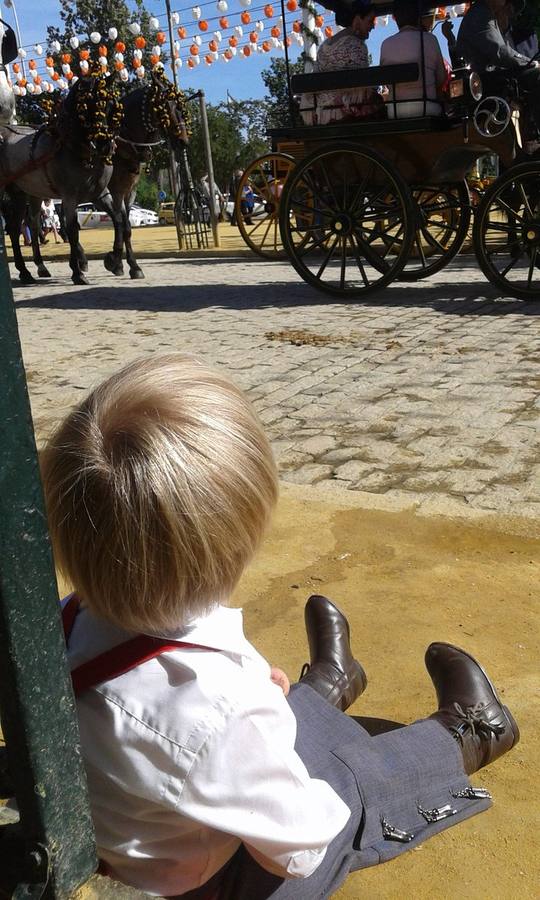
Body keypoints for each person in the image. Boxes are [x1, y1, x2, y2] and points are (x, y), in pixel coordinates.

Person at [41, 354, 519, 899]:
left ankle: (329, 685)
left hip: (144, 828)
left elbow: (190, 720)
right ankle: (470, 732)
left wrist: (261, 719)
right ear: (239, 547)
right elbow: (299, 844)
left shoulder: (62, 623)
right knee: (344, 781)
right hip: (214, 882)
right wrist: (297, 758)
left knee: (264, 728)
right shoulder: (216, 706)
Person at [456, 0, 540, 139]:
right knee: (537, 76)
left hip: (491, 75)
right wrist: (531, 64)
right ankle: (532, 133)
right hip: (483, 80)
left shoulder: (485, 14)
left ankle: (530, 134)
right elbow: (499, 52)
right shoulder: (480, 14)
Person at [300, 0, 384, 125]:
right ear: (357, 19)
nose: (373, 26)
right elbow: (362, 84)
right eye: (370, 21)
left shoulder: (325, 45)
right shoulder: (357, 45)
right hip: (340, 110)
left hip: (316, 110)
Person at [380, 0, 447, 118]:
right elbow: (441, 78)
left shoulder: (386, 44)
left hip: (396, 111)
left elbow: (385, 81)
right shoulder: (430, 39)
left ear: (395, 18)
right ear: (418, 17)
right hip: (427, 107)